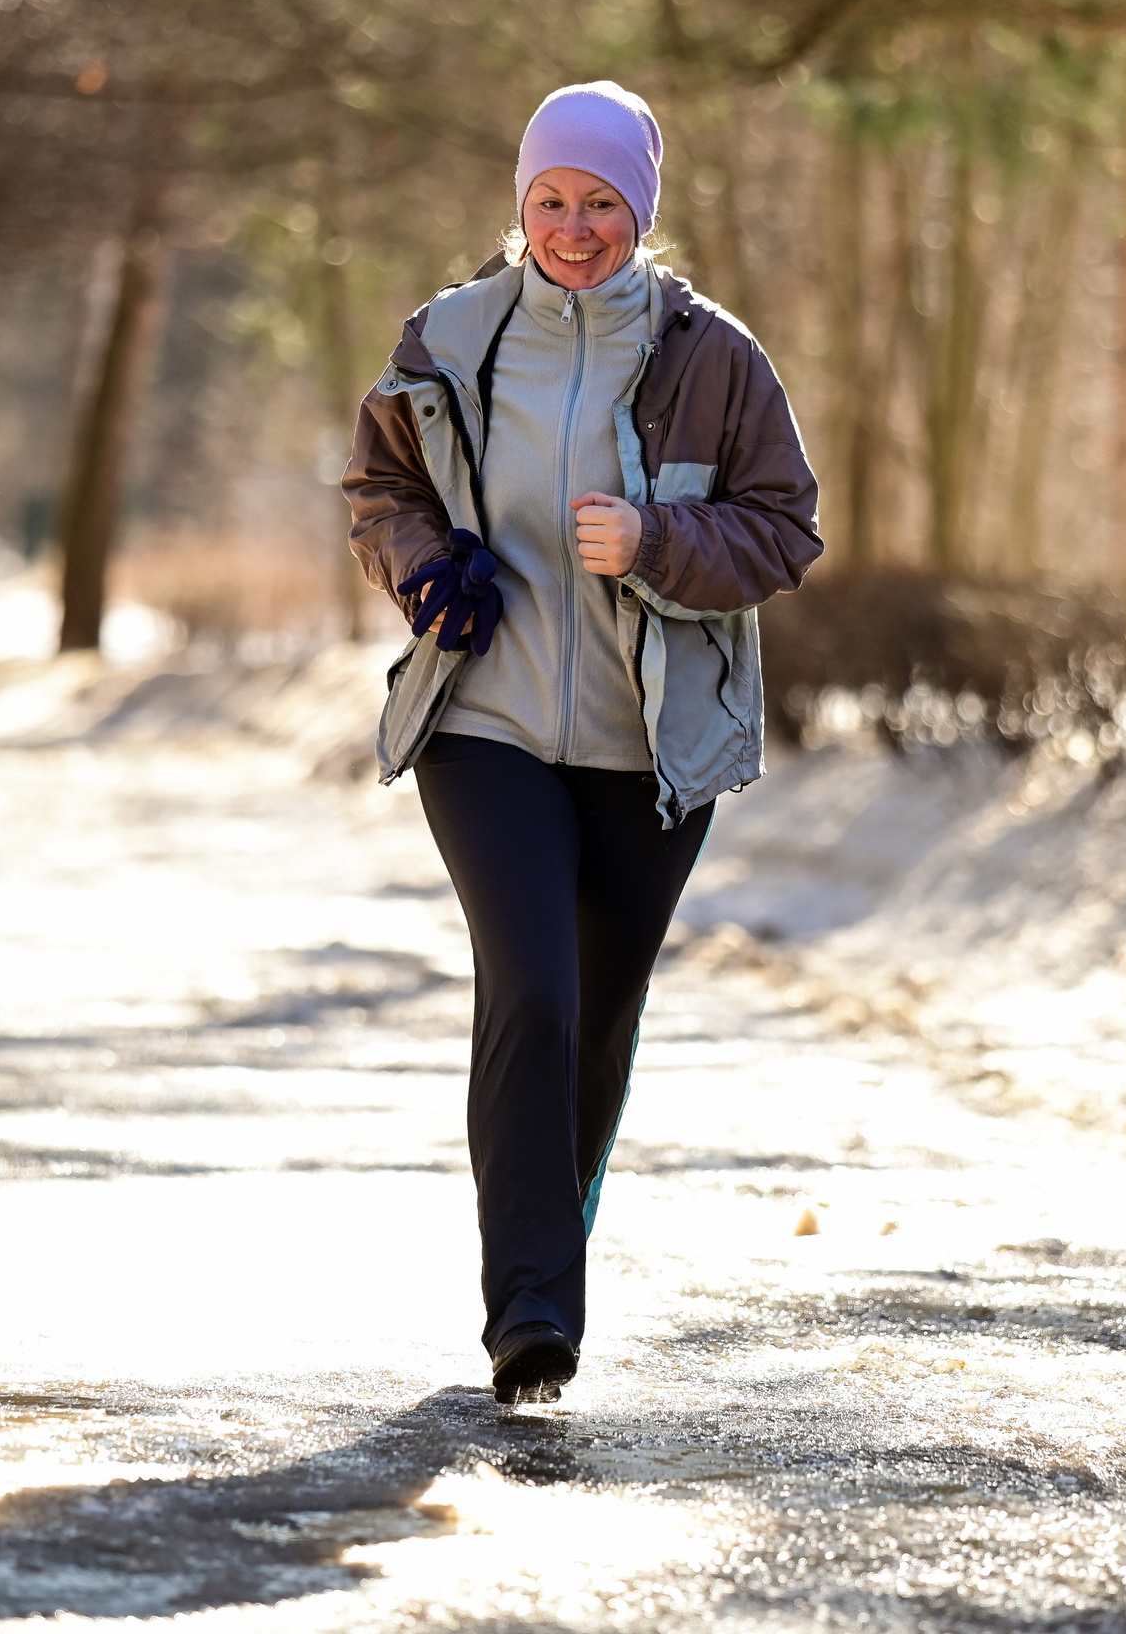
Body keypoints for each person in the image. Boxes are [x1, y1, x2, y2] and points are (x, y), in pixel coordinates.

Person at [342, 81, 822, 1406]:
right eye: (551, 199)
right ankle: (533, 1316)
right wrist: (426, 564)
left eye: (601, 202)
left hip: (649, 748)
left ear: (640, 212)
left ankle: (552, 1251)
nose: (572, 225)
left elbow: (787, 530)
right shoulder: (450, 335)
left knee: (597, 1017)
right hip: (483, 721)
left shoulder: (713, 357)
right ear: (521, 203)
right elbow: (379, 487)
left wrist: (660, 543)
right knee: (535, 989)